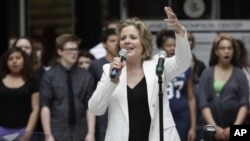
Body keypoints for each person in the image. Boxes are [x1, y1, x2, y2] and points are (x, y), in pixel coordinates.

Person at [88, 6, 192, 141]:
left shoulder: (158, 65)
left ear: (144, 43)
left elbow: (183, 61)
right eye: (123, 38)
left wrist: (179, 30)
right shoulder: (109, 70)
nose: (127, 41)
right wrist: (112, 80)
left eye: (133, 37)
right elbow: (95, 108)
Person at [40, 33, 96, 141]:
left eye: (76, 50)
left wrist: (91, 133)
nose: (74, 53)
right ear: (60, 51)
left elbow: (90, 106)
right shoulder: (49, 76)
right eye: (70, 50)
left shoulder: (86, 76)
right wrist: (48, 135)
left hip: (81, 131)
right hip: (58, 131)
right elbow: (45, 106)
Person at [198, 33, 249, 141]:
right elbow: (203, 103)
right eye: (222, 48)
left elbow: (244, 104)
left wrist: (235, 128)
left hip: (236, 128)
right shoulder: (207, 73)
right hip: (211, 129)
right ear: (216, 51)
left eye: (229, 48)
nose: (226, 51)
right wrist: (215, 128)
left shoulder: (240, 74)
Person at [156, 29, 196, 141]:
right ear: (161, 48)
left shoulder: (186, 66)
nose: (173, 48)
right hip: (161, 115)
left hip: (182, 116)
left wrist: (193, 127)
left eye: (175, 45)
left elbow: (191, 97)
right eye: (169, 45)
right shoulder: (154, 65)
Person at [0, 48, 40, 139]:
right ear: (6, 62)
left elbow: (36, 109)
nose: (14, 61)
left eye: (18, 58)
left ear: (24, 60)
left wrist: (27, 133)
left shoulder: (32, 81)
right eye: (10, 59)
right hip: (1, 130)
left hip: (24, 129)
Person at [88, 28, 118, 141]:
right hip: (103, 116)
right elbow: (91, 93)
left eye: (117, 40)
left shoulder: (126, 63)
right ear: (104, 44)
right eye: (112, 40)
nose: (116, 43)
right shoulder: (95, 65)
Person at [187, 31, 206, 141]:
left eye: (191, 40)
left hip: (196, 102)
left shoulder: (200, 64)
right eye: (186, 40)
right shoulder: (172, 61)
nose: (189, 43)